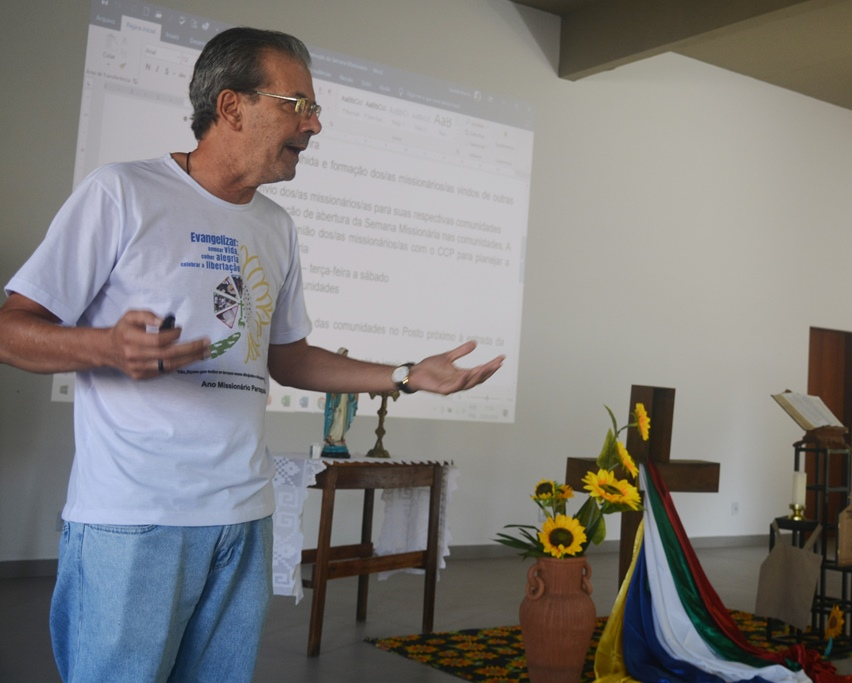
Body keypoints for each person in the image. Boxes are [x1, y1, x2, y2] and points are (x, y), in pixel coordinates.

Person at [0, 27, 503, 683]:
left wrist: (404, 376)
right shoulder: (120, 192)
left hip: (244, 517)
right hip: (136, 518)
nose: (314, 124)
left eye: (314, 109)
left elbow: (288, 358)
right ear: (231, 106)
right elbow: (12, 329)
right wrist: (103, 345)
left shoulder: (275, 226)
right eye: (299, 105)